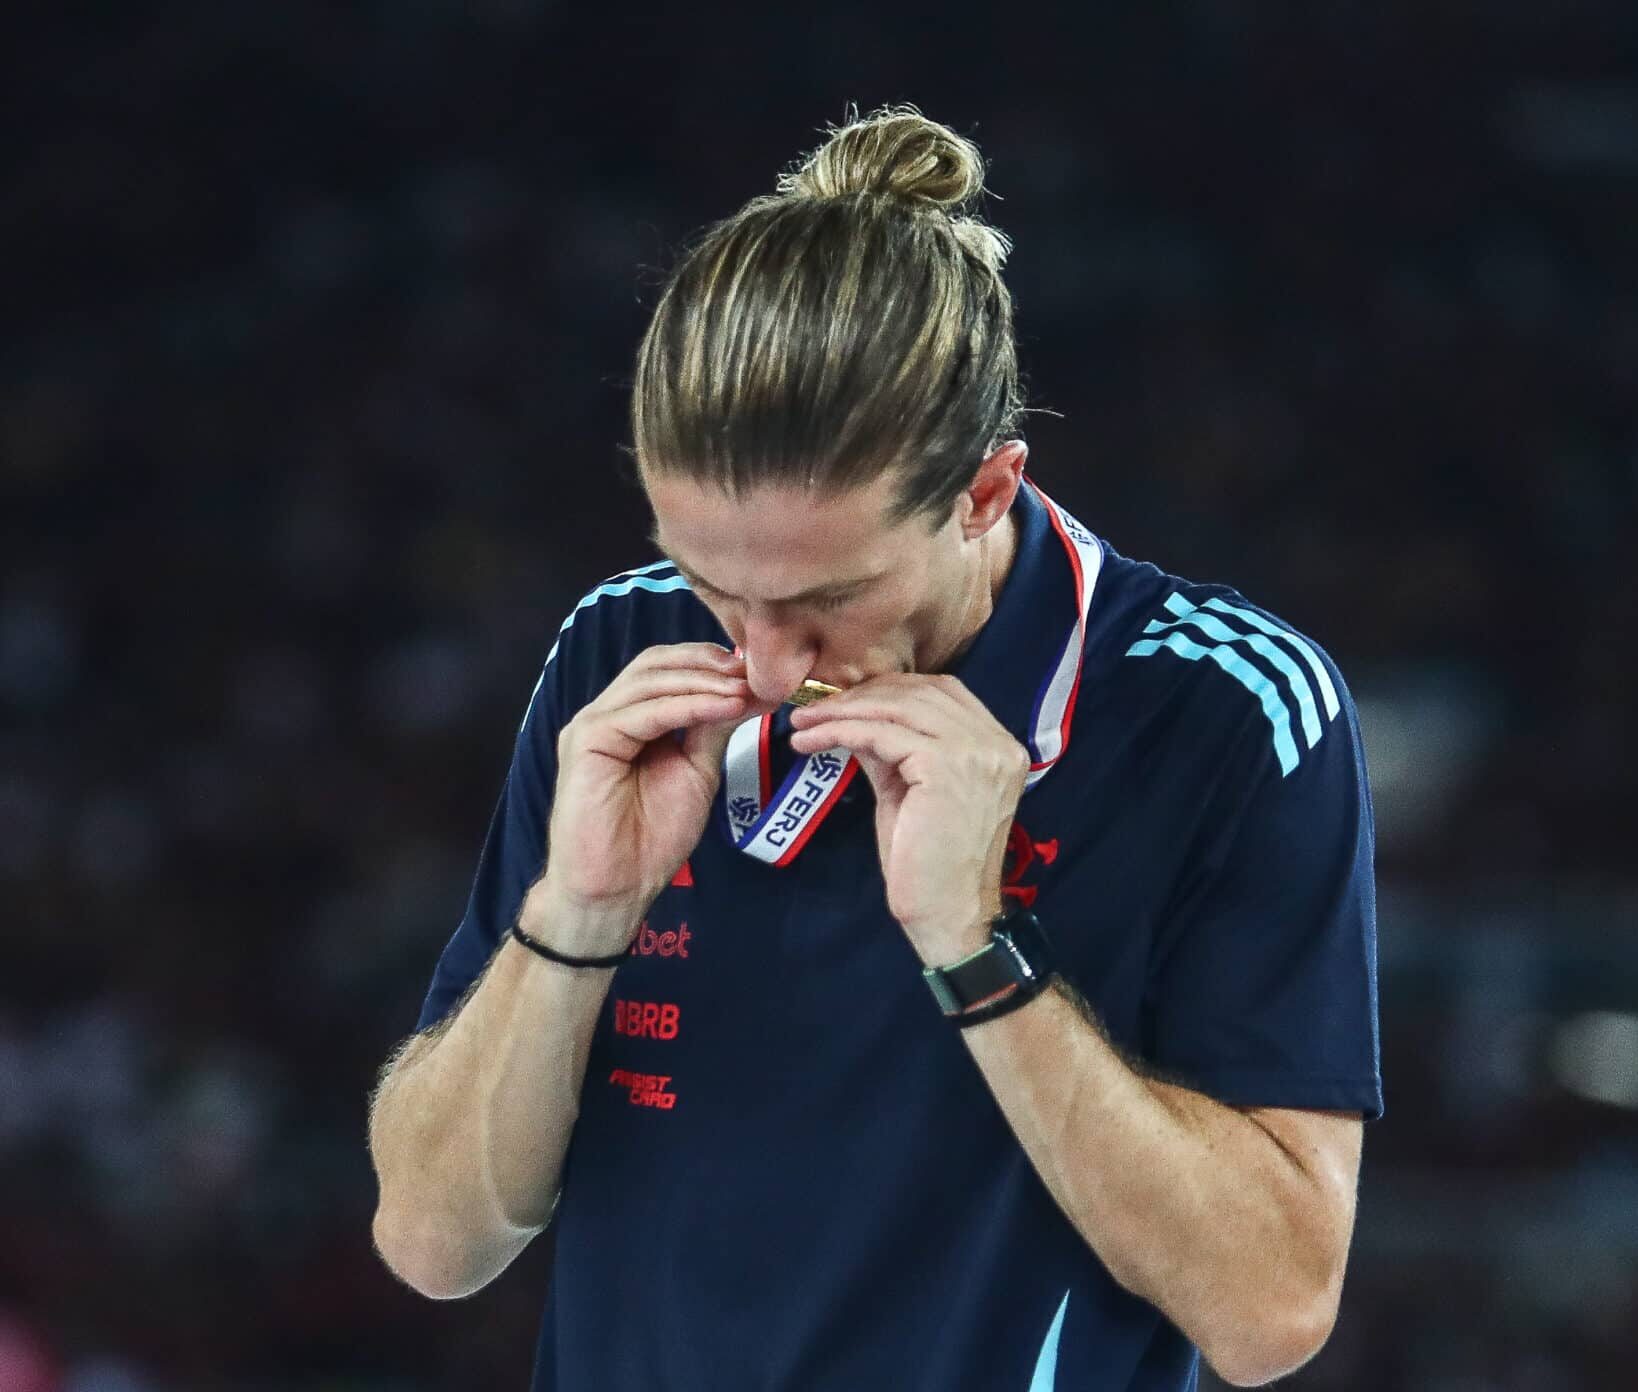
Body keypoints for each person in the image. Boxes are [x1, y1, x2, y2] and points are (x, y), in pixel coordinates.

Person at [367, 104, 1382, 1391]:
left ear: (984, 494)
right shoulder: (623, 643)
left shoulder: (1223, 709)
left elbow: (1271, 1309)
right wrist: (579, 914)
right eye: (713, 582)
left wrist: (975, 944)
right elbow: (432, 1238)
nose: (766, 661)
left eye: (828, 597)